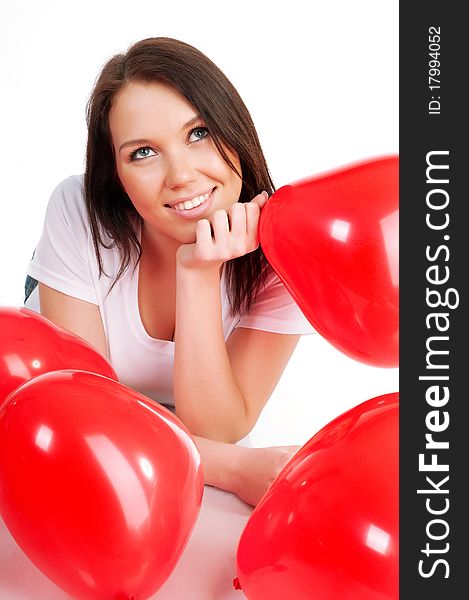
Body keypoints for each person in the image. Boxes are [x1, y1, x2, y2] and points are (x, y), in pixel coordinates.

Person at [24, 37, 314, 507]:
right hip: (51, 372)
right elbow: (81, 421)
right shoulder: (79, 210)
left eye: (198, 133)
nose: (180, 175)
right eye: (143, 152)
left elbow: (217, 427)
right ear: (115, 174)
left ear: (234, 128)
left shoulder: (284, 256)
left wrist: (198, 273)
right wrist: (235, 466)